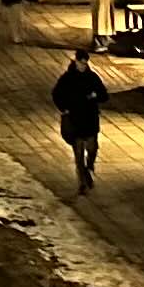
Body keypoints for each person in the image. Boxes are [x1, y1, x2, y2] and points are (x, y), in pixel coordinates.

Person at [51, 51, 107, 193]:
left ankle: (89, 167)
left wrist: (95, 95)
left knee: (92, 148)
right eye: (81, 63)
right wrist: (64, 108)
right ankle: (82, 182)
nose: (83, 66)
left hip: (90, 119)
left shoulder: (92, 77)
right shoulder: (67, 78)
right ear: (76, 61)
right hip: (75, 119)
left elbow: (104, 95)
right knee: (79, 153)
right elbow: (56, 94)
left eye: (85, 63)